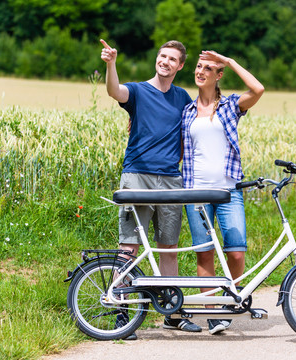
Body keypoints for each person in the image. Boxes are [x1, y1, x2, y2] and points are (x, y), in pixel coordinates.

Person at [100, 39, 202, 338]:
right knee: (129, 246)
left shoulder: (183, 97)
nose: (165, 62)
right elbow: (113, 91)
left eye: (172, 59)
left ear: (180, 66)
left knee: (169, 247)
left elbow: (194, 126)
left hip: (171, 179)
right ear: (156, 59)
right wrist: (111, 64)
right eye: (162, 56)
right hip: (137, 177)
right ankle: (122, 313)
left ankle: (171, 311)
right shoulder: (138, 91)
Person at [181, 50, 264, 334]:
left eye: (208, 68)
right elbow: (177, 148)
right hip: (196, 194)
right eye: (198, 66)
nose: (200, 71)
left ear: (218, 76)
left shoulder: (230, 106)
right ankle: (213, 312)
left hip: (229, 192)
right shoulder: (188, 112)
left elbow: (258, 89)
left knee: (237, 251)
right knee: (204, 254)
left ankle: (229, 300)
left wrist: (228, 61)